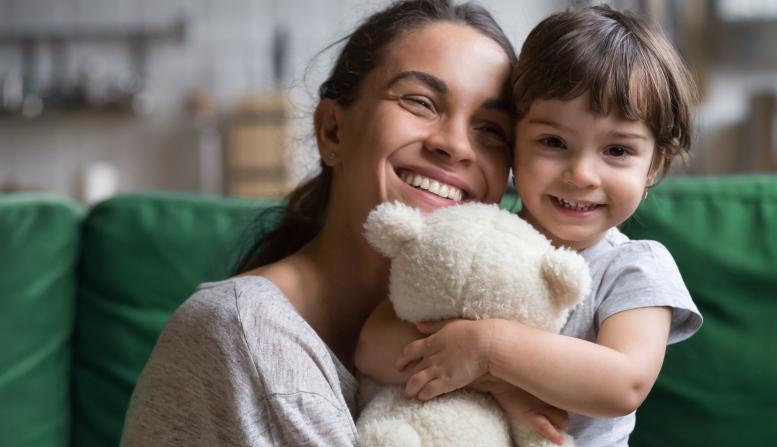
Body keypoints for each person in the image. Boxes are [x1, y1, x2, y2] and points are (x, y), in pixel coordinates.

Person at [119, 1, 518, 445]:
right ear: (332, 131)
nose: (456, 146)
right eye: (420, 102)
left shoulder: (489, 340)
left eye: (492, 130)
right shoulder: (246, 332)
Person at [355, 5, 704, 446]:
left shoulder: (635, 267)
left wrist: (490, 349)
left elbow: (623, 383)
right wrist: (492, 381)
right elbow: (373, 345)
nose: (582, 175)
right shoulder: (472, 239)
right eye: (553, 142)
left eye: (617, 151)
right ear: (514, 143)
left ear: (654, 164)